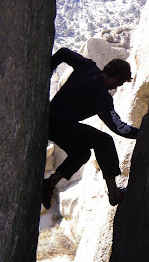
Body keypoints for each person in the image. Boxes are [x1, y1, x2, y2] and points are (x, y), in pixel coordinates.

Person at [42, 47, 139, 209]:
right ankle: (114, 193)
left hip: (51, 119)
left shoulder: (88, 66)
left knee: (82, 153)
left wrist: (48, 71)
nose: (116, 87)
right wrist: (141, 134)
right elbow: (118, 127)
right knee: (104, 140)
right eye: (119, 83)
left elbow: (63, 53)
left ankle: (50, 183)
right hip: (60, 125)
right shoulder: (102, 96)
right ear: (114, 77)